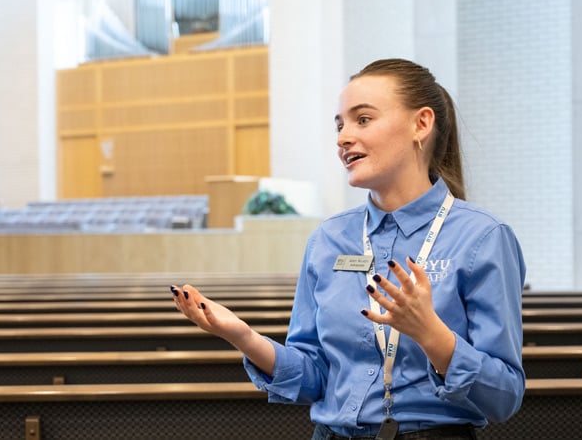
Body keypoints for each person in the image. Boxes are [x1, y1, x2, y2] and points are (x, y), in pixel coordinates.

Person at [171, 58, 526, 440]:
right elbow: (314, 379)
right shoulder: (328, 239)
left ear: (421, 123)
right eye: (339, 124)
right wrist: (242, 335)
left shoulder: (482, 236)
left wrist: (431, 334)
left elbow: (504, 396)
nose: (342, 137)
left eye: (363, 120)